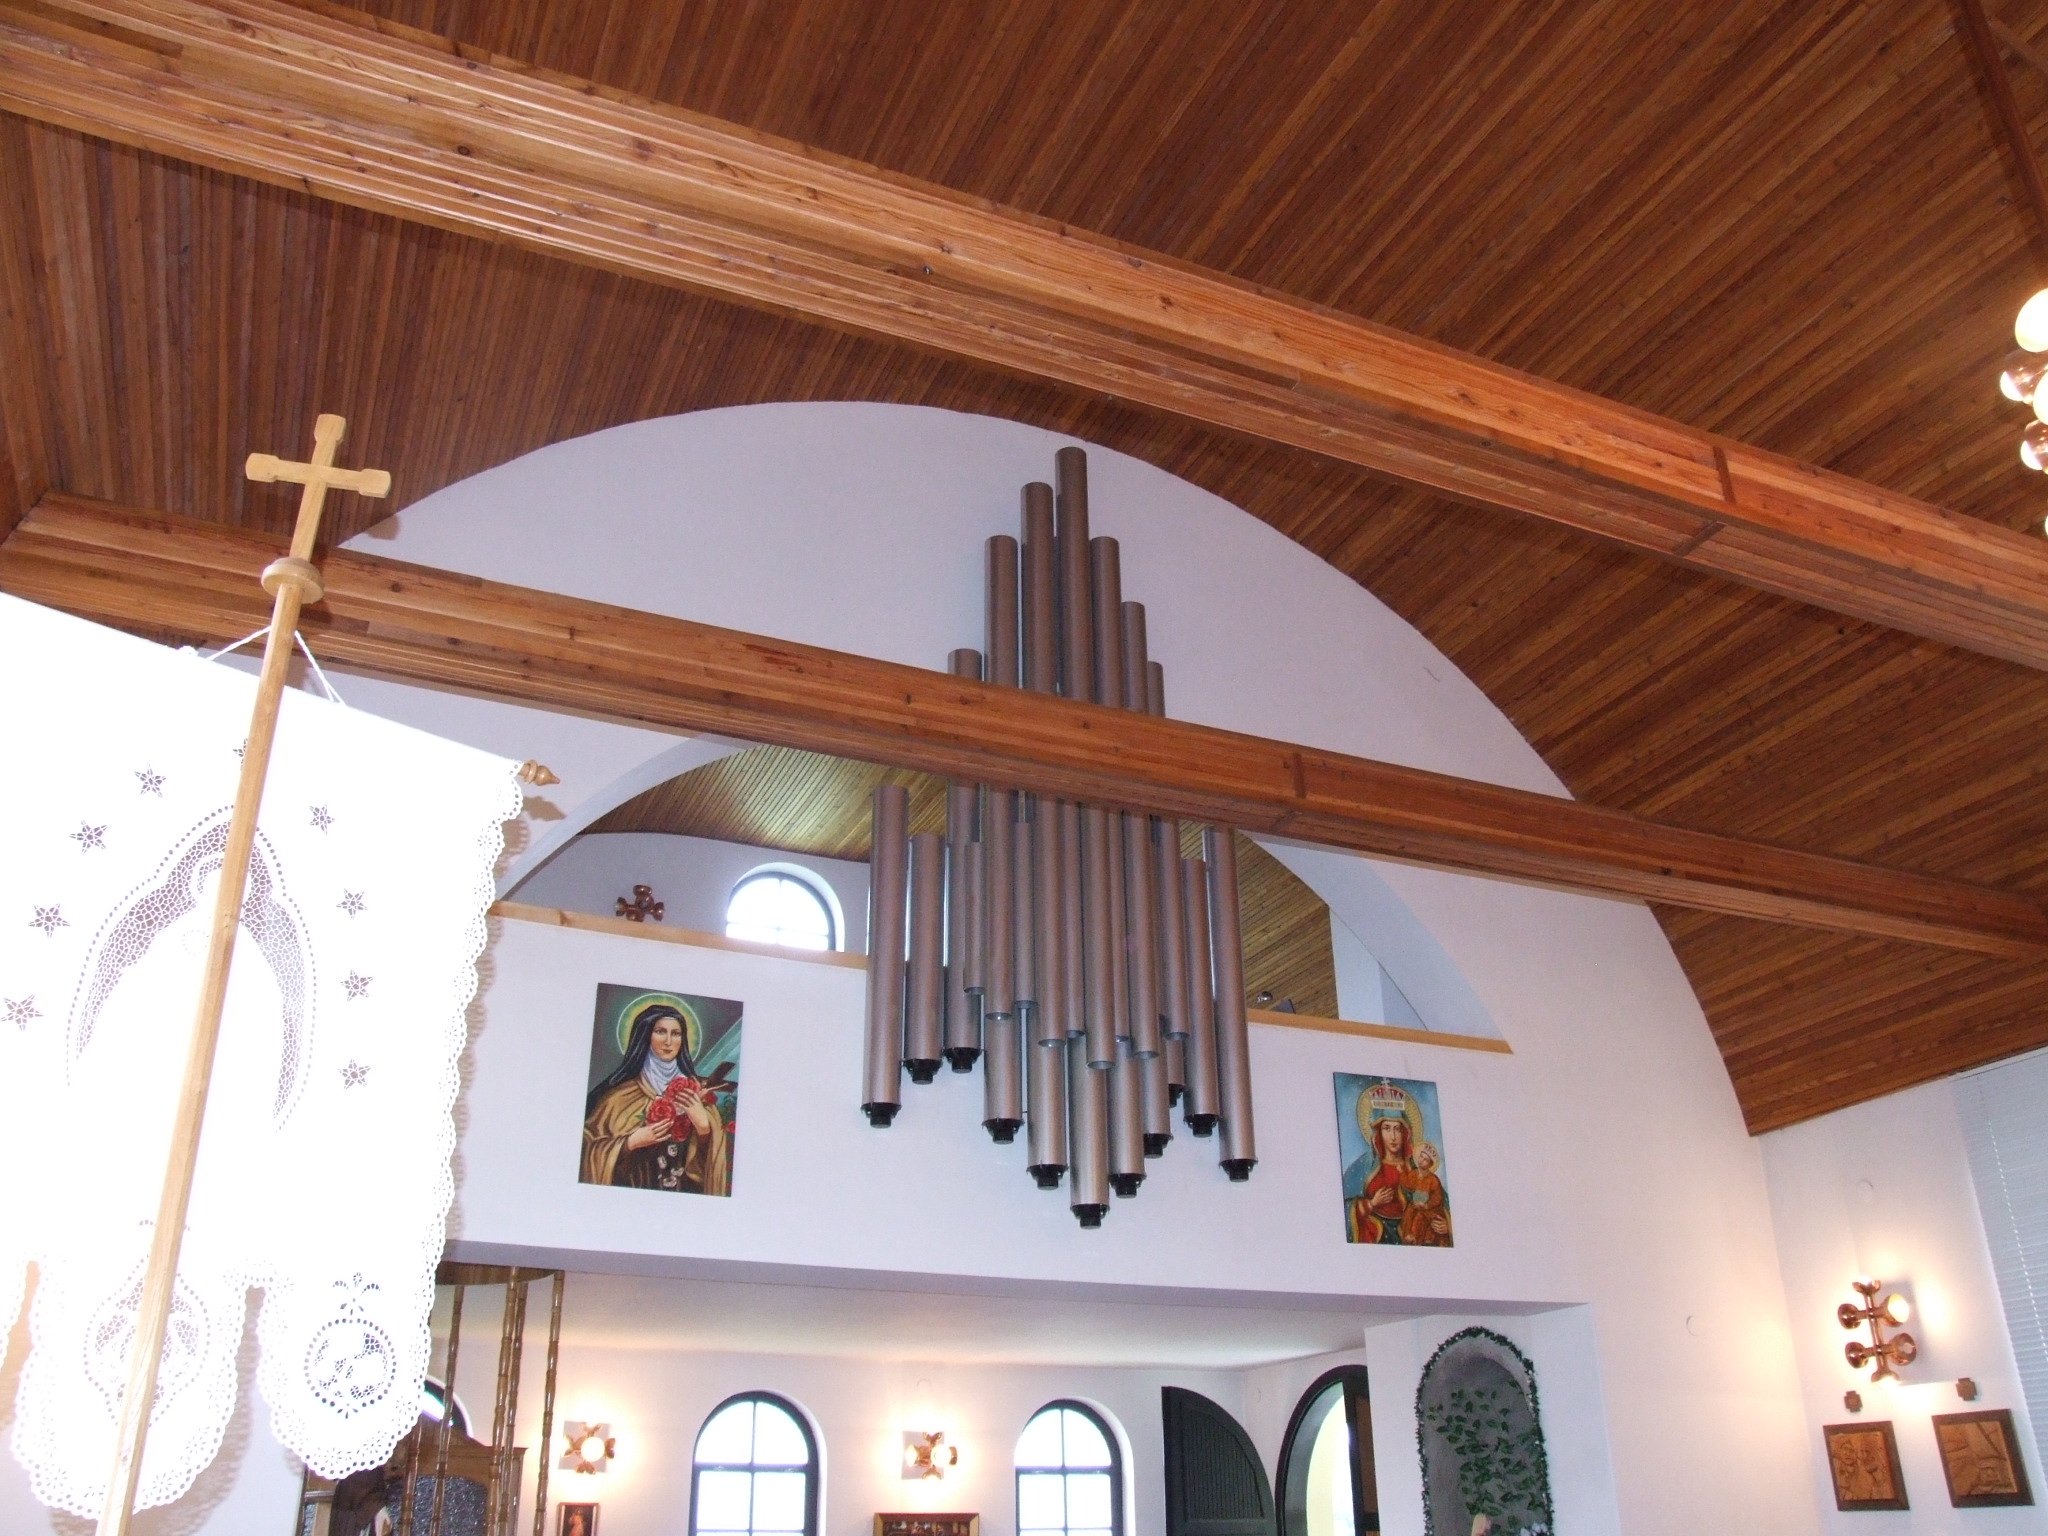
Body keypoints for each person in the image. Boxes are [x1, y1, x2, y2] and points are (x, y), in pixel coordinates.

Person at [581, 1003, 731, 1195]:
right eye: (660, 1032)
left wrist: (703, 1128)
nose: (668, 1041)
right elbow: (586, 1147)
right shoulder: (617, 1098)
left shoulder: (697, 1095)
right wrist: (629, 1143)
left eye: (676, 1033)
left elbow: (708, 1170)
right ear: (645, 1036)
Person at [1347, 1112, 1416, 1244]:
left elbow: (1437, 1201)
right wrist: (1371, 1204)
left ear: (1405, 1133)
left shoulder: (1414, 1168)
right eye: (1387, 1128)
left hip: (1409, 1232)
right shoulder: (1364, 1167)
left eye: (1398, 1129)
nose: (1393, 1137)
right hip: (1375, 1232)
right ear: (1379, 1132)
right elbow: (1344, 1206)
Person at [1401, 1140, 1453, 1246]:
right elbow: (1407, 1184)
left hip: (1428, 1207)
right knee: (1409, 1213)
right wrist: (1403, 1171)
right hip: (1416, 1203)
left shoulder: (1433, 1179)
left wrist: (1427, 1205)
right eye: (1421, 1156)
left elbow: (1437, 1197)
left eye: (1425, 1160)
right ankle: (1407, 1235)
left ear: (1430, 1164)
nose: (1421, 1161)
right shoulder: (1413, 1174)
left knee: (1421, 1218)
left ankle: (1420, 1239)